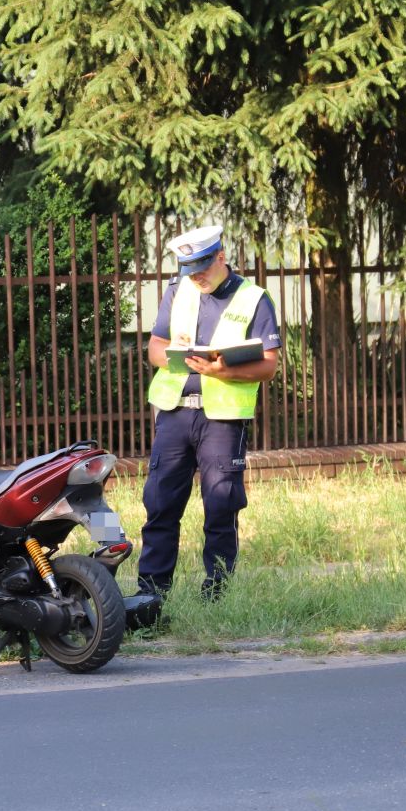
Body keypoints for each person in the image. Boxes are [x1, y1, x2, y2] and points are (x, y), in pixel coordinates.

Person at [137, 225, 281, 600]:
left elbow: (268, 366)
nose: (196, 276)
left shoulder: (254, 298)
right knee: (160, 505)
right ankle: (151, 594)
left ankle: (216, 595)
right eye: (189, 269)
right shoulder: (178, 290)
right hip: (174, 414)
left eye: (202, 267)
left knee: (220, 506)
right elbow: (154, 348)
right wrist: (174, 354)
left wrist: (222, 370)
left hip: (222, 419)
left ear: (221, 257)